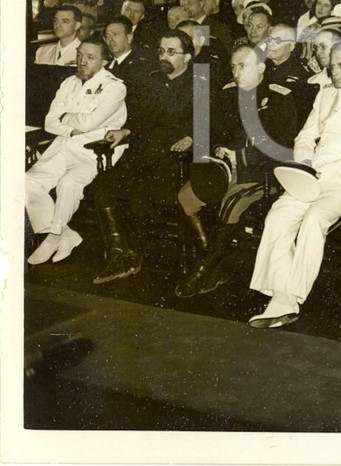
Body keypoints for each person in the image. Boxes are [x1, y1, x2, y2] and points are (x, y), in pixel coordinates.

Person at [248, 40, 341, 328]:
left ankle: (289, 297)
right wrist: (305, 163)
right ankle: (280, 297)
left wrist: (339, 167)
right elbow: (305, 136)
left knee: (314, 220)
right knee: (277, 217)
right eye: (332, 64)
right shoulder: (325, 94)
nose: (335, 71)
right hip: (312, 175)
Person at [173, 45, 300, 297]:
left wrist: (240, 156)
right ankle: (217, 263)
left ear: (261, 68)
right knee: (185, 198)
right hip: (224, 170)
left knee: (231, 203)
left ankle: (203, 270)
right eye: (233, 67)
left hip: (261, 174)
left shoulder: (279, 97)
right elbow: (214, 132)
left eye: (243, 66)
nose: (236, 73)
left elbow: (284, 145)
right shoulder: (227, 95)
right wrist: (220, 150)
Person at [88, 30, 202, 284]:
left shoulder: (199, 84)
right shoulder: (150, 81)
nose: (164, 56)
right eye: (161, 51)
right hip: (143, 153)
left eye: (172, 52)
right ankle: (121, 253)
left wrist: (192, 138)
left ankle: (133, 254)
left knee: (140, 193)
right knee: (102, 187)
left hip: (175, 159)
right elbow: (139, 119)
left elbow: (209, 126)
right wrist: (124, 131)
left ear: (188, 57)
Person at [25, 39, 128, 265]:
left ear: (104, 61)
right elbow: (49, 122)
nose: (82, 61)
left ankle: (52, 238)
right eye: (80, 55)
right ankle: (66, 234)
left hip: (94, 151)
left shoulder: (114, 87)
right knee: (26, 182)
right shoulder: (69, 83)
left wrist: (67, 120)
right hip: (63, 145)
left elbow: (90, 123)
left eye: (90, 57)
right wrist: (72, 127)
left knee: (69, 184)